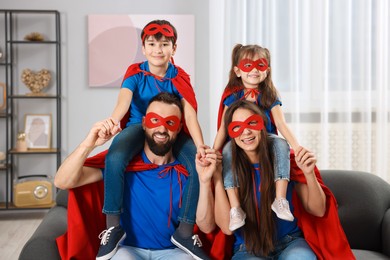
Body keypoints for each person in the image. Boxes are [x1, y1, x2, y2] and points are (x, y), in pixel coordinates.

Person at [54, 93, 214, 260]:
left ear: (179, 128)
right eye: (154, 120)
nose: (161, 129)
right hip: (127, 251)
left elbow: (207, 227)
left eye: (170, 122)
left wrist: (204, 181)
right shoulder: (121, 166)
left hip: (174, 252)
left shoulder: (188, 170)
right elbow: (62, 181)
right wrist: (89, 144)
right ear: (144, 123)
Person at [96, 20, 207, 259]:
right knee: (114, 158)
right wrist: (113, 122)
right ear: (144, 48)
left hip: (172, 130)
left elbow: (189, 113)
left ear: (174, 49)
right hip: (139, 126)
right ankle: (113, 225)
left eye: (164, 44)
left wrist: (200, 146)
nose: (158, 49)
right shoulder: (135, 73)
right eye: (152, 44)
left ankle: (185, 230)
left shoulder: (179, 77)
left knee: (198, 165)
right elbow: (122, 103)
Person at [212, 100, 354, 259]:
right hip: (248, 248)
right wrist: (217, 178)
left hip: (290, 242)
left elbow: (318, 210)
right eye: (237, 127)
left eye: (252, 123)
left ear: (263, 125)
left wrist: (309, 173)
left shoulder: (285, 162)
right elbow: (226, 228)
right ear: (230, 132)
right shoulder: (227, 170)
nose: (246, 132)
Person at [213, 44, 301, 231]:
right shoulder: (233, 96)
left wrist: (296, 146)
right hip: (238, 142)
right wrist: (214, 152)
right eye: (247, 65)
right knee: (229, 150)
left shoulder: (269, 95)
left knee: (280, 143)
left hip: (266, 139)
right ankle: (236, 208)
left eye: (260, 65)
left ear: (267, 70)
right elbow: (223, 127)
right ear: (237, 71)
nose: (254, 70)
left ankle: (280, 199)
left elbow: (281, 124)